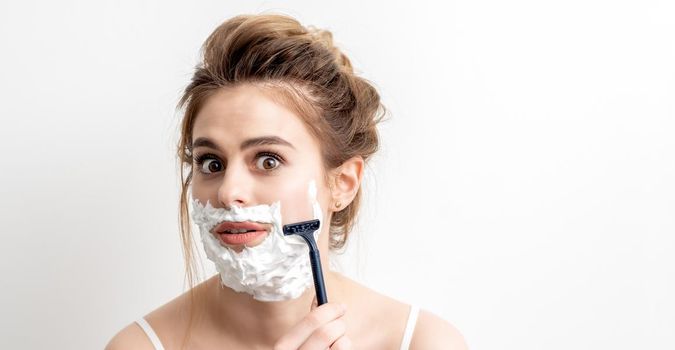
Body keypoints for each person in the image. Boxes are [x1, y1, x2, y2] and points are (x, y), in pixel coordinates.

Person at [106, 13, 467, 350]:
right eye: (211, 163)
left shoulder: (423, 341)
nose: (229, 191)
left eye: (268, 160)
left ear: (342, 183)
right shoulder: (140, 346)